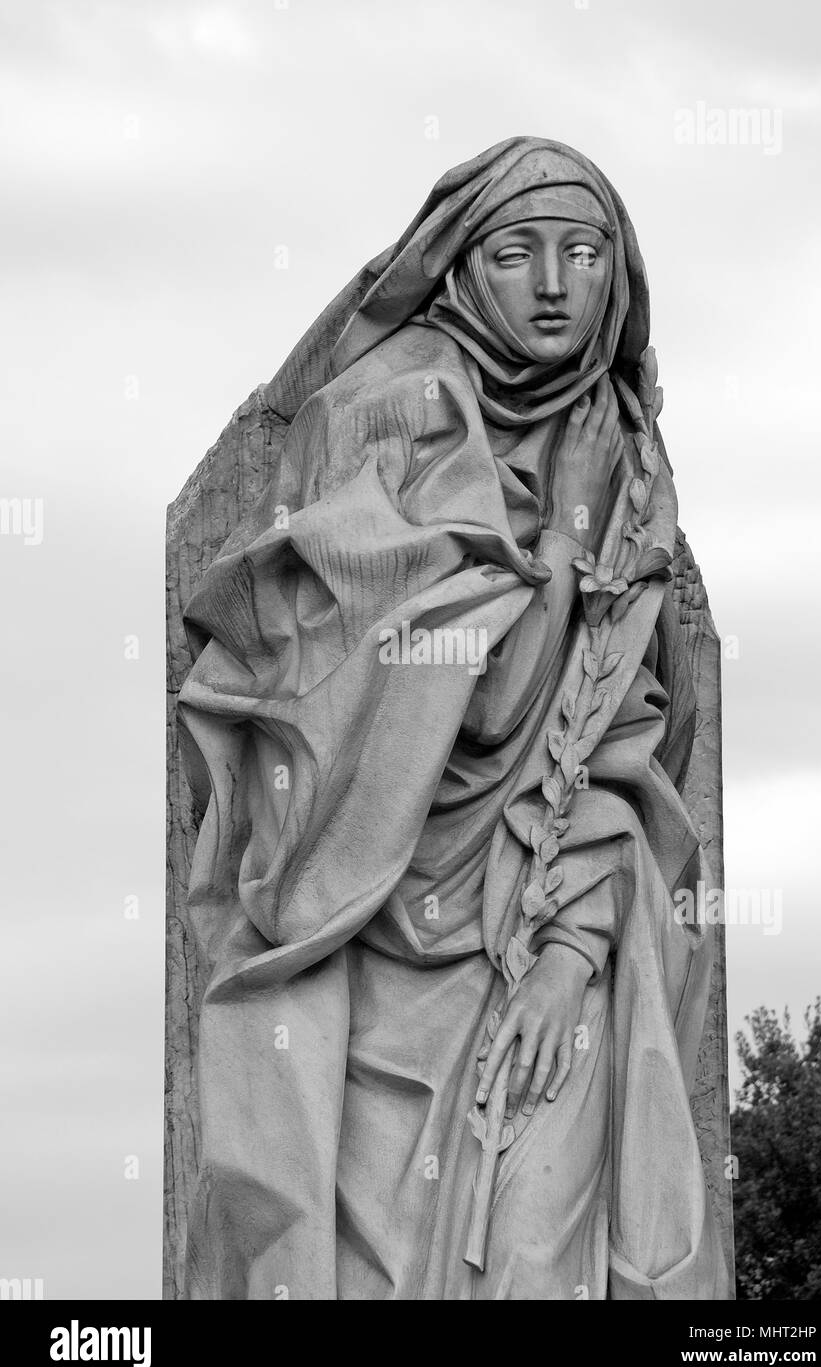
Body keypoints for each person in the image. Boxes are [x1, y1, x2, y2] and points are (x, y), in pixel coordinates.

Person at [177, 136, 730, 1300]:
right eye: (515, 251)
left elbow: (623, 747)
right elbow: (433, 700)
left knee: (540, 1263)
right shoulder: (386, 420)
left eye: (580, 254)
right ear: (463, 266)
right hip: (368, 943)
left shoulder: (623, 460)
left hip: (541, 953)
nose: (549, 284)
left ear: (613, 277)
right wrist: (562, 545)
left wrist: (571, 952)